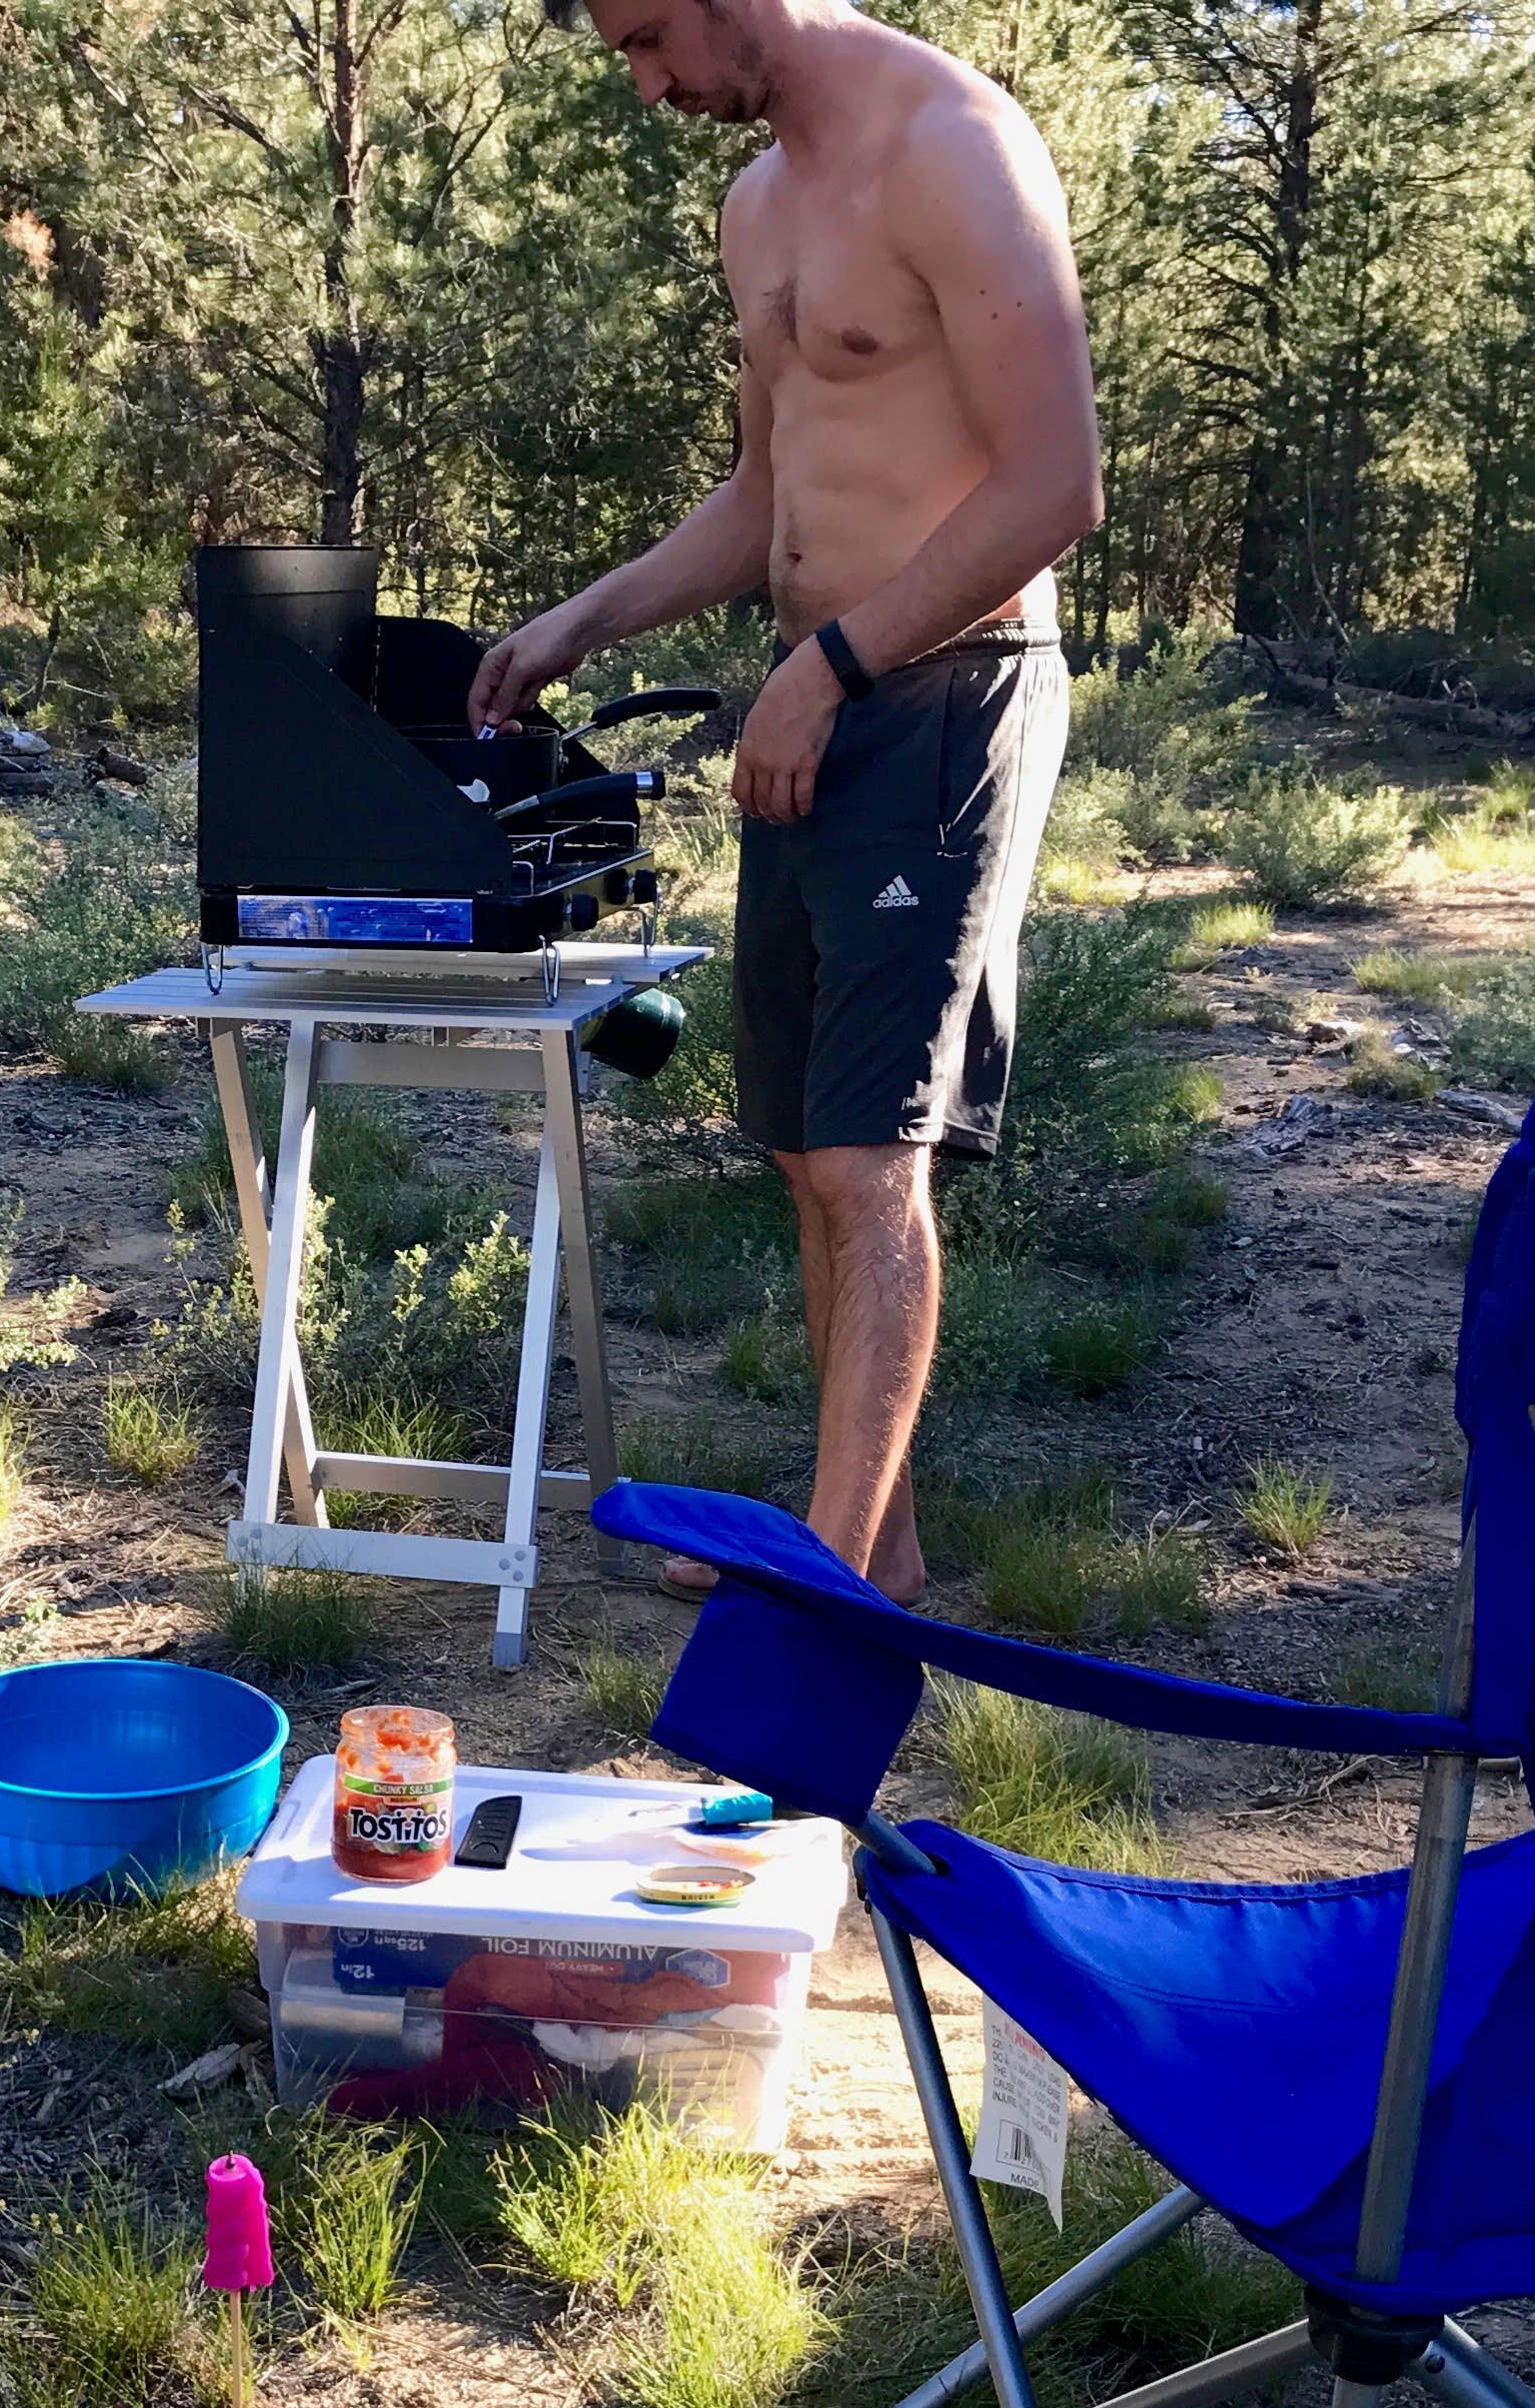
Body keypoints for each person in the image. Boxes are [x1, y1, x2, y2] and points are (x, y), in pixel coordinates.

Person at [474, 0, 1100, 1602]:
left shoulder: (957, 151)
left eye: (651, 36)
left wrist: (829, 664)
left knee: (870, 1159)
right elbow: (767, 492)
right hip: (811, 703)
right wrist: (583, 619)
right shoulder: (756, 203)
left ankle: (826, 1586)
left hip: (949, 697)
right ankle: (865, 1547)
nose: (649, 82)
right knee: (803, 1146)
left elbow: (1055, 485)